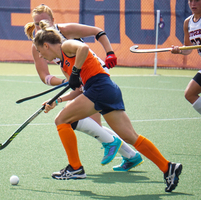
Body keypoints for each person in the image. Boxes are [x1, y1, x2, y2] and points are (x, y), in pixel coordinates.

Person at [34, 20, 182, 192]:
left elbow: (84, 49)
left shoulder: (66, 45)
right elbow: (78, 90)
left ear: (46, 45)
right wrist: (56, 101)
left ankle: (75, 168)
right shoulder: (62, 64)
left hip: (100, 87)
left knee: (61, 119)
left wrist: (75, 72)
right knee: (130, 137)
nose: (39, 55)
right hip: (106, 90)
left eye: (39, 51)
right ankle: (167, 167)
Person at [24, 4, 143, 171]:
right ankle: (130, 155)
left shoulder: (64, 30)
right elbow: (45, 76)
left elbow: (97, 31)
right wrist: (66, 81)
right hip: (77, 79)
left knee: (73, 119)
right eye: (36, 23)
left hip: (94, 74)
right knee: (91, 123)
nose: (39, 25)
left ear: (52, 20)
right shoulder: (37, 45)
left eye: (44, 21)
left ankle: (111, 147)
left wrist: (110, 52)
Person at [171, 0, 201, 115]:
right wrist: (179, 51)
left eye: (197, 0)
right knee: (190, 93)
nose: (193, 4)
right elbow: (188, 49)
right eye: (191, 1)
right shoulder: (187, 22)